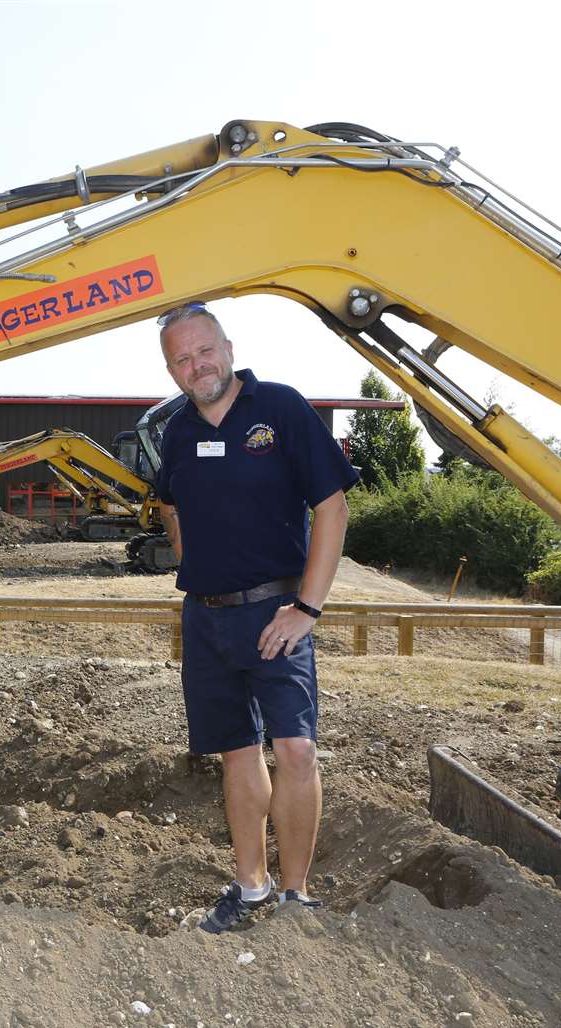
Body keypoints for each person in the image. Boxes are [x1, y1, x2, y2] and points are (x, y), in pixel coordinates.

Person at [151, 301, 357, 933]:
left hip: (277, 613)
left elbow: (333, 508)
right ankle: (252, 889)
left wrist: (306, 607)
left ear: (229, 348)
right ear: (171, 369)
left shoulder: (281, 409)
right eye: (180, 359)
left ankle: (296, 894)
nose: (196, 365)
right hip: (206, 621)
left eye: (204, 350)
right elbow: (168, 505)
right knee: (238, 754)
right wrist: (194, 559)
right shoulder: (177, 433)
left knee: (294, 749)